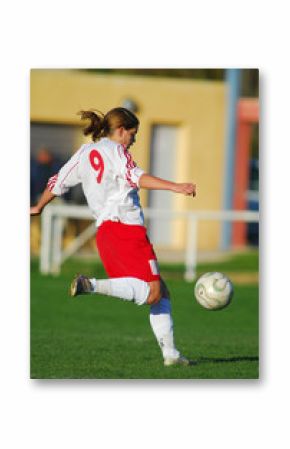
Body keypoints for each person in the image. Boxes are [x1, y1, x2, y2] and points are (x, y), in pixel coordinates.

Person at [30, 107, 197, 366]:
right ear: (120, 131)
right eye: (133, 134)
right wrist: (176, 186)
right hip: (127, 229)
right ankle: (91, 285)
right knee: (153, 293)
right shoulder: (117, 152)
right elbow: (137, 176)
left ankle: (171, 355)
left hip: (106, 233)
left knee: (161, 292)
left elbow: (57, 182)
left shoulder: (85, 152)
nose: (133, 140)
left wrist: (39, 207)